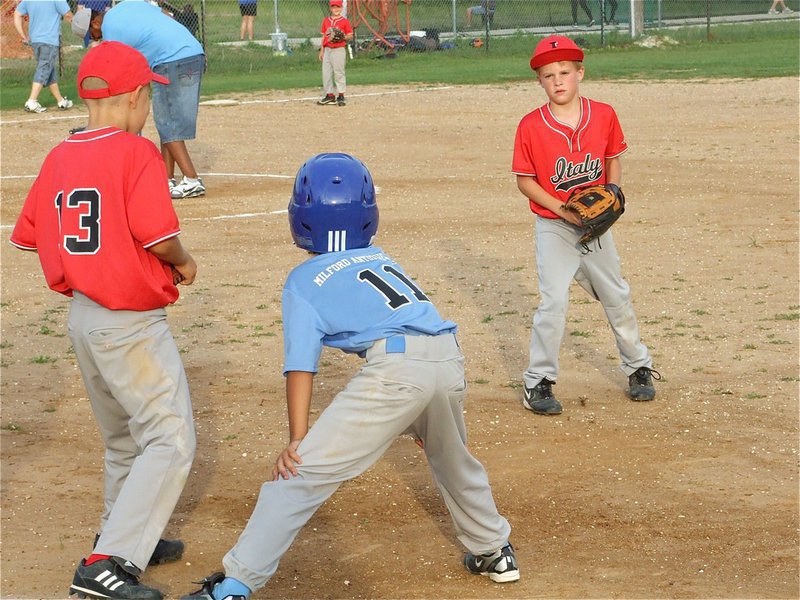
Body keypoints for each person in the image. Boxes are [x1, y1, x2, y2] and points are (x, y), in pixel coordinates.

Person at [180, 152, 519, 600]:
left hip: (397, 370)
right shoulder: (382, 259)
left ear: (299, 217)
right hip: (447, 358)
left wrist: (297, 439)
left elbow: (301, 365)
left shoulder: (303, 279)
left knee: (297, 478)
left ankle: (234, 586)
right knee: (453, 459)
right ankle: (494, 550)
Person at [10, 40, 198, 600]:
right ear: (137, 97)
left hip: (84, 320)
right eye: (147, 100)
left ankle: (124, 532)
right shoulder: (136, 153)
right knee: (168, 437)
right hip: (130, 324)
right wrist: (184, 262)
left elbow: (30, 235)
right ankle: (108, 562)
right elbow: (159, 237)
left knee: (123, 440)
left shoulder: (60, 154)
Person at [511, 35, 659, 416]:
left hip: (596, 227)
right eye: (548, 75)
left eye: (564, 72)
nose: (557, 81)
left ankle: (638, 367)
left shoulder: (604, 114)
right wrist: (563, 211)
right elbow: (525, 181)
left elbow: (613, 159)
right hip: (554, 225)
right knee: (553, 302)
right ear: (540, 81)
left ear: (580, 73)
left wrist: (613, 191)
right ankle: (537, 382)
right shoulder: (531, 126)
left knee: (615, 295)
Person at [102, 0, 207, 199]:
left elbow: (119, 66)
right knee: (169, 119)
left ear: (95, 24)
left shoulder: (109, 28)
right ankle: (166, 179)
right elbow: (168, 16)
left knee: (167, 122)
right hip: (193, 51)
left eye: (93, 35)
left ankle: (192, 180)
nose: (97, 39)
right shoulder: (132, 6)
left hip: (170, 60)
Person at [13, 0, 74, 113]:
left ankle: (60, 101)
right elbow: (68, 15)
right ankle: (32, 100)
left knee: (48, 69)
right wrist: (80, 28)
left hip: (35, 41)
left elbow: (17, 14)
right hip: (49, 40)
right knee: (44, 68)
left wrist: (23, 36)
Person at [317, 0, 353, 107]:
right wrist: (322, 50)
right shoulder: (326, 21)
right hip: (327, 50)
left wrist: (343, 36)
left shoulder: (344, 21)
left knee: (339, 72)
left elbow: (350, 35)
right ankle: (330, 95)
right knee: (326, 73)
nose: (336, 9)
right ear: (330, 8)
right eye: (333, 7)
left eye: (338, 7)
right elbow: (324, 37)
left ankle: (341, 95)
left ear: (341, 8)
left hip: (339, 50)